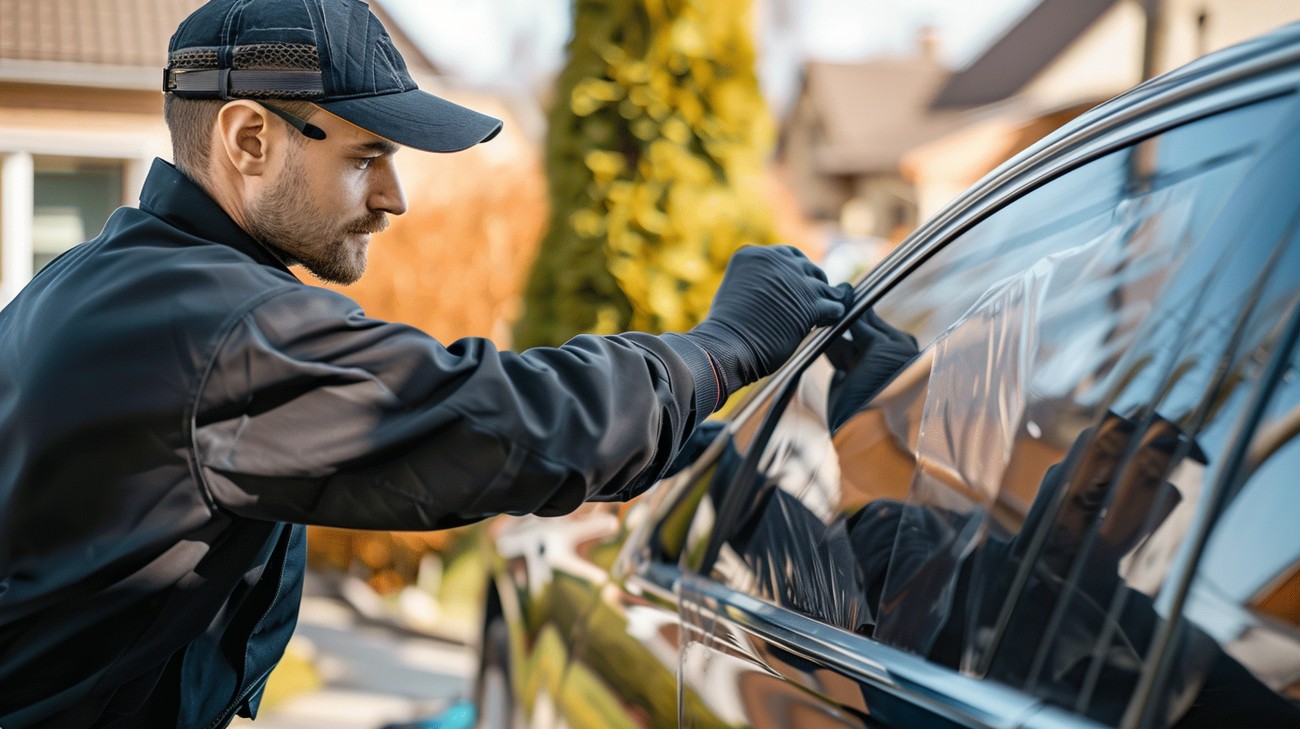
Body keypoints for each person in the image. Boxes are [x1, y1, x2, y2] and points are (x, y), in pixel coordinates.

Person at [0, 1, 849, 726]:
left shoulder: (97, 279)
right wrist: (721, 348)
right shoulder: (221, 331)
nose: (393, 199)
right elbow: (505, 424)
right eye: (366, 158)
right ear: (249, 137)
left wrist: (707, 451)